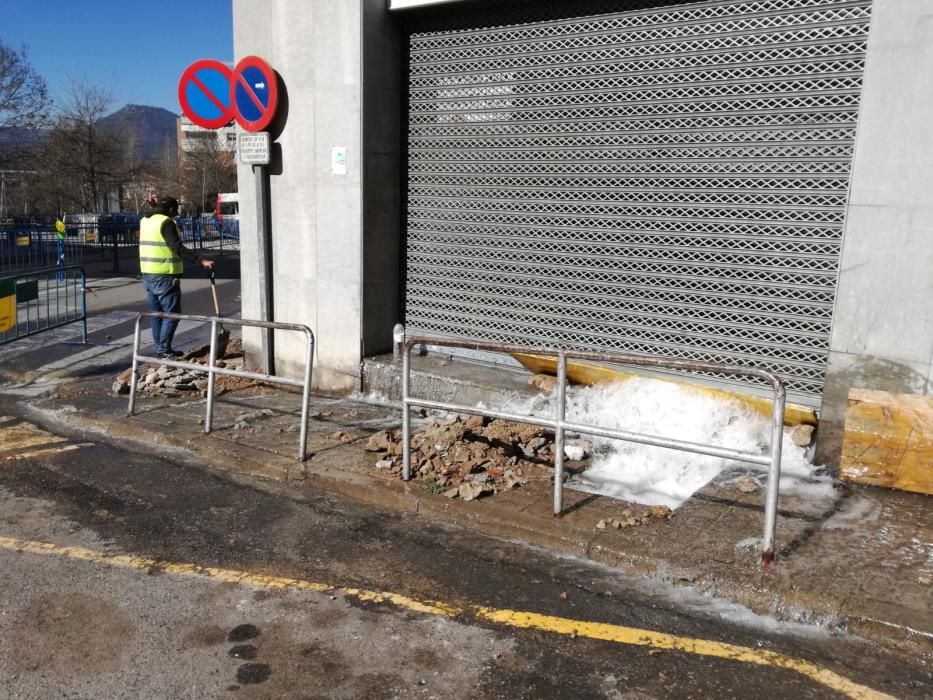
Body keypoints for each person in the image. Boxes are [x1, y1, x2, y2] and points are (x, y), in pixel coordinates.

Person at [139, 195, 214, 358]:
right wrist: (200, 260)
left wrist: (152, 206)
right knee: (172, 314)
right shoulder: (166, 223)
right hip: (165, 274)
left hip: (148, 274)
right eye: (176, 210)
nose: (177, 213)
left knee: (157, 314)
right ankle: (163, 349)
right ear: (171, 209)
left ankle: (161, 349)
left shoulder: (146, 220)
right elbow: (176, 247)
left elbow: (147, 213)